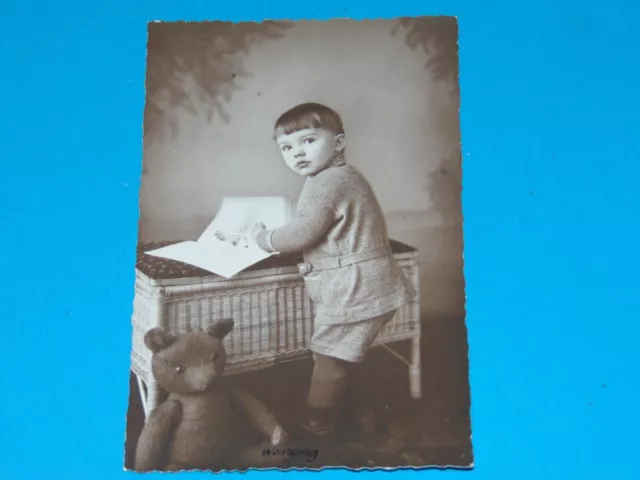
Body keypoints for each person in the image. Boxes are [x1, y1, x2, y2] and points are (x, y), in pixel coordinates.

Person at [250, 102, 415, 442]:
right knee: (339, 354)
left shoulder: (327, 182)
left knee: (329, 357)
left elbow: (303, 233)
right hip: (369, 283)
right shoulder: (341, 176)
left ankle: (317, 425)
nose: (297, 153)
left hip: (357, 287)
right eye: (287, 147)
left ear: (338, 143)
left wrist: (263, 238)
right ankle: (360, 413)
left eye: (308, 141)